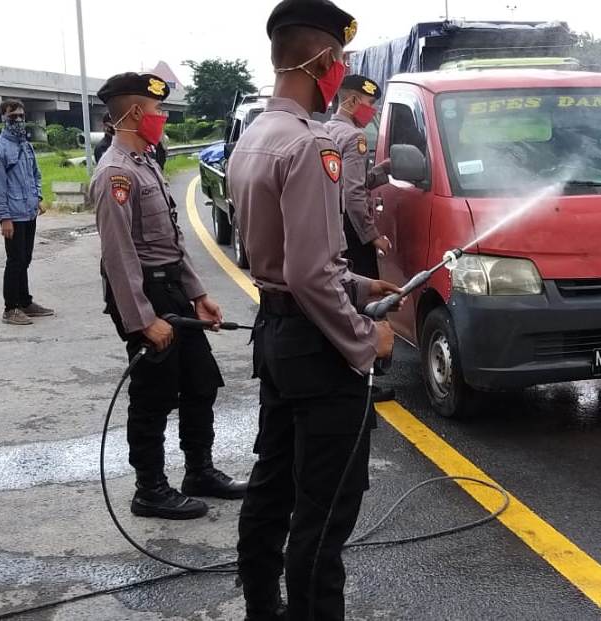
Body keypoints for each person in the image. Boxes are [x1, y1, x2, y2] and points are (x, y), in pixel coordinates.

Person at [228, 1, 399, 619]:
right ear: (324, 61)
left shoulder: (254, 138)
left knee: (272, 490)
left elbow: (275, 263)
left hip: (275, 336)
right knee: (324, 513)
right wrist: (364, 335)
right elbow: (306, 271)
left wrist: (358, 285)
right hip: (315, 351)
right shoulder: (311, 146)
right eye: (342, 61)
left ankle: (261, 609)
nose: (344, 72)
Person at [90, 72, 247, 520]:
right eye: (158, 111)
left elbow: (172, 241)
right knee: (153, 395)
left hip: (173, 289)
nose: (161, 119)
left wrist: (198, 293)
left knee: (200, 383)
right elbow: (119, 256)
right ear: (136, 112)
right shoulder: (116, 173)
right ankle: (150, 490)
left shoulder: (146, 163)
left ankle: (199, 471)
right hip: (147, 294)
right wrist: (142, 320)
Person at [325, 74, 396, 402]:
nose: (372, 111)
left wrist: (380, 172)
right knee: (365, 302)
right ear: (352, 101)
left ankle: (345, 371)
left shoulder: (327, 130)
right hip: (353, 232)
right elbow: (353, 195)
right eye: (369, 104)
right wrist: (373, 237)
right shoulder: (355, 137)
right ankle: (366, 376)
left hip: (334, 227)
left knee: (343, 302)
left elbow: (347, 182)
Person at [0, 99, 54, 326]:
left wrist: (38, 199)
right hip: (12, 214)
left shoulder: (26, 146)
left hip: (28, 211)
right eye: (13, 116)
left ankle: (25, 302)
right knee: (15, 260)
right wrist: (3, 217)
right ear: (3, 118)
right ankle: (11, 308)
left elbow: (36, 175)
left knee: (25, 258)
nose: (18, 120)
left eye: (21, 116)